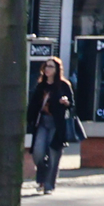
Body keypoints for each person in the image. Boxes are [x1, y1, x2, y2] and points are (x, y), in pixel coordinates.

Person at [25, 58, 76, 195]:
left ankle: (48, 185)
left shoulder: (64, 85)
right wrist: (29, 120)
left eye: (51, 67)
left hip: (57, 124)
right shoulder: (41, 86)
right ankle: (42, 178)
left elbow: (72, 104)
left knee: (53, 154)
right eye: (46, 66)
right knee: (38, 152)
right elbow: (33, 105)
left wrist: (65, 102)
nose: (47, 69)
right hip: (42, 123)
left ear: (57, 70)